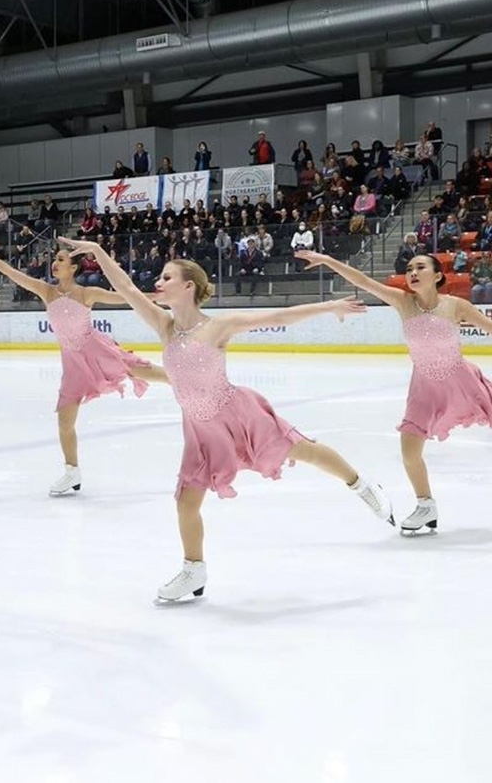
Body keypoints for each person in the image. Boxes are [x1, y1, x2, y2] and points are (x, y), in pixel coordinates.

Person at [56, 237, 394, 602]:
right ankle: (193, 570)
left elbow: (278, 317)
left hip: (236, 415)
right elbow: (125, 286)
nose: (158, 281)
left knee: (303, 449)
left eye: (167, 277)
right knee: (186, 501)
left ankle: (361, 485)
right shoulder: (164, 325)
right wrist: (98, 251)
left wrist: (329, 305)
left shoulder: (217, 327)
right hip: (199, 430)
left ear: (189, 286)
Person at [296, 250, 492, 535]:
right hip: (424, 388)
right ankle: (425, 505)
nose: (413, 272)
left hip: (461, 381)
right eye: (409, 268)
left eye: (420, 267)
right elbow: (363, 281)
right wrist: (328, 261)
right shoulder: (403, 302)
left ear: (438, 275)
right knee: (409, 451)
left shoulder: (456, 306)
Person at [0, 242, 166, 496]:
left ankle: (181, 380)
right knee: (65, 422)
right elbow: (10, 272)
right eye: (55, 259)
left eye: (62, 259)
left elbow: (125, 297)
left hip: (95, 349)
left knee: (136, 368)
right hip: (72, 363)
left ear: (73, 267)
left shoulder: (86, 293)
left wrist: (155, 297)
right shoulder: (46, 291)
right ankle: (72, 471)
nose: (55, 263)